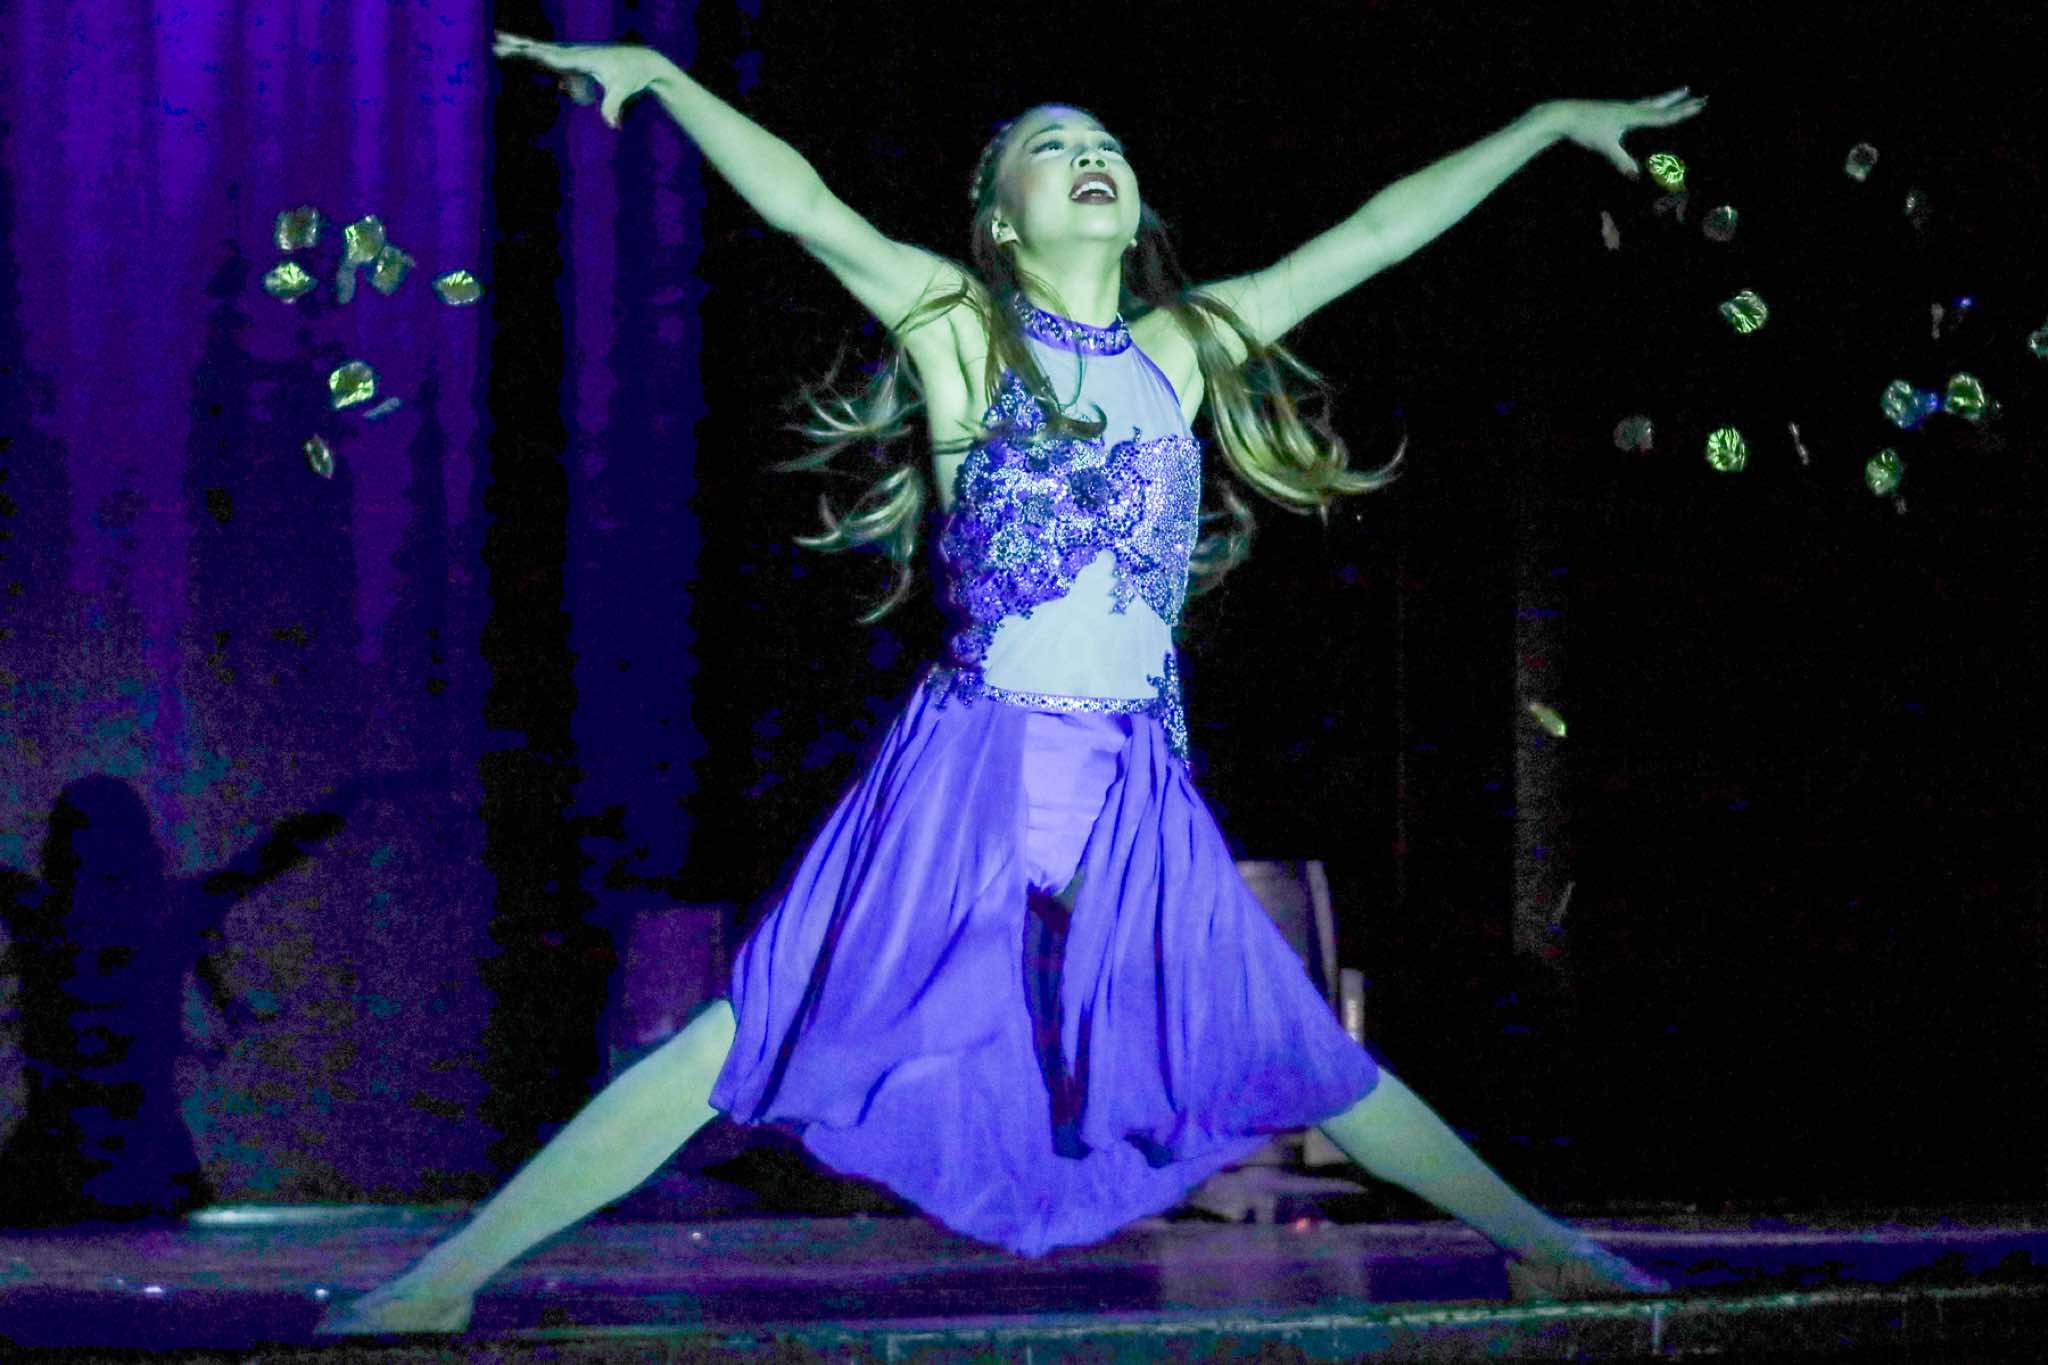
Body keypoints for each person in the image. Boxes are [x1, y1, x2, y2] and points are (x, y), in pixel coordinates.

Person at [320, 30, 1702, 1334]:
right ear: (998, 221)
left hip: (1130, 782)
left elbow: (1377, 234)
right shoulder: (959, 331)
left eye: (1107, 144)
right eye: (1053, 146)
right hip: (970, 765)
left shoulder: (1185, 348)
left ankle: (1542, 1244)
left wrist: (1542, 123)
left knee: (1289, 1042)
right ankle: (448, 1279)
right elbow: (805, 207)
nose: (1092, 155)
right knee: (742, 1033)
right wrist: (666, 81)